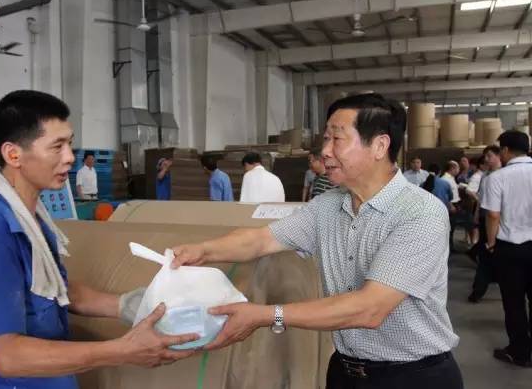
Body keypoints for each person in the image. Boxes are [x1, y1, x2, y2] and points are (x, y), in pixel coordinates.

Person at [172, 94, 462, 389]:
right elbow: (261, 240)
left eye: (337, 139)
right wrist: (201, 251)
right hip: (345, 371)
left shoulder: (420, 212)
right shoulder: (327, 205)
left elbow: (370, 308)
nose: (325, 151)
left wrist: (265, 315)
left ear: (379, 145)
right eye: (325, 139)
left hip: (413, 376)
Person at [0, 91, 198, 388]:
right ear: (13, 154)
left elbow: (53, 290)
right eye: (57, 146)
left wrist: (127, 304)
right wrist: (122, 350)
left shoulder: (31, 219)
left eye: (69, 144)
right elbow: (9, 357)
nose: (70, 157)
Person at [482, 130, 532, 367]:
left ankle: (520, 352)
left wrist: (491, 243)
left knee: (514, 303)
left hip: (511, 249)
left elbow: (493, 215)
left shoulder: (497, 178)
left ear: (505, 150)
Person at [467, 146, 502, 303]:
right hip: (484, 218)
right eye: (485, 156)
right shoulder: (485, 175)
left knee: (491, 254)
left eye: (489, 156)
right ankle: (479, 289)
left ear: (499, 156)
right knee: (486, 253)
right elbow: (480, 197)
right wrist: (476, 214)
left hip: (498, 220)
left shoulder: (504, 175)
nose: (486, 159)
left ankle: (481, 287)